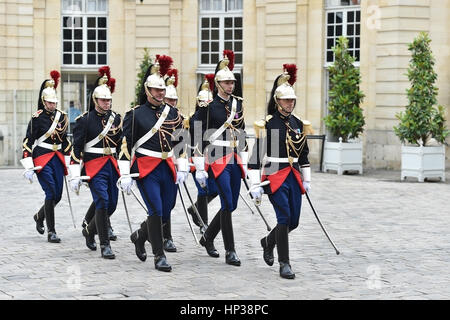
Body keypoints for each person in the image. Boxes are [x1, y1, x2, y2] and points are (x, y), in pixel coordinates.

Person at [119, 55, 188, 272]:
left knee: (167, 208)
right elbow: (125, 145)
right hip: (146, 168)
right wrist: (124, 173)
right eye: (156, 90)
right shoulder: (135, 114)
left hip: (167, 167)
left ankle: (140, 236)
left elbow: (180, 142)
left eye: (162, 90)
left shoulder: (174, 113)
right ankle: (159, 255)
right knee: (156, 209)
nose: (161, 93)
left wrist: (183, 165)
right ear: (147, 90)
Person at [248, 64, 311, 279]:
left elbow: (303, 155)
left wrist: (307, 179)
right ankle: (285, 263)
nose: (290, 103)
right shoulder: (268, 124)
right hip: (274, 174)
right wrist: (255, 184)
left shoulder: (299, 123)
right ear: (277, 101)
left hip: (293, 175)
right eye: (286, 100)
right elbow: (255, 158)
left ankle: (268, 241)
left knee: (294, 221)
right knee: (284, 217)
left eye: (292, 100)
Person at [191, 50, 248, 266]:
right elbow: (196, 133)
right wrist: (199, 165)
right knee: (226, 200)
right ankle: (230, 251)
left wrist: (244, 157)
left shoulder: (238, 104)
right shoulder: (209, 107)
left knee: (231, 204)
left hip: (233, 156)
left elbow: (240, 130)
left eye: (232, 82)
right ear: (218, 84)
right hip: (216, 156)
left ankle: (207, 237)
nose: (230, 86)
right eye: (226, 83)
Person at [69, 66, 122, 259]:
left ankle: (90, 230)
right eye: (103, 100)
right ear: (95, 100)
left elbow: (120, 143)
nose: (107, 103)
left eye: (109, 100)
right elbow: (76, 148)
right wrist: (75, 173)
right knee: (102, 201)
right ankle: (105, 245)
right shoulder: (84, 120)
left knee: (113, 204)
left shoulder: (116, 118)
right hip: (94, 166)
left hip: (111, 165)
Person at [21, 70, 71, 243]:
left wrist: (71, 160)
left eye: (54, 102)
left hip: (57, 158)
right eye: (49, 103)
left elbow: (65, 141)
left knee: (57, 195)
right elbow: (28, 140)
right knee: (50, 192)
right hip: (42, 157)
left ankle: (39, 216)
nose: (52, 105)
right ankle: (52, 231)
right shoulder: (37, 118)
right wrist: (28, 162)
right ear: (43, 102)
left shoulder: (62, 117)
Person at [187, 74, 219, 234]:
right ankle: (203, 223)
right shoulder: (194, 120)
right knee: (203, 190)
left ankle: (195, 209)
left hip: (212, 158)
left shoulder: (214, 119)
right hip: (197, 158)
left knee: (215, 190)